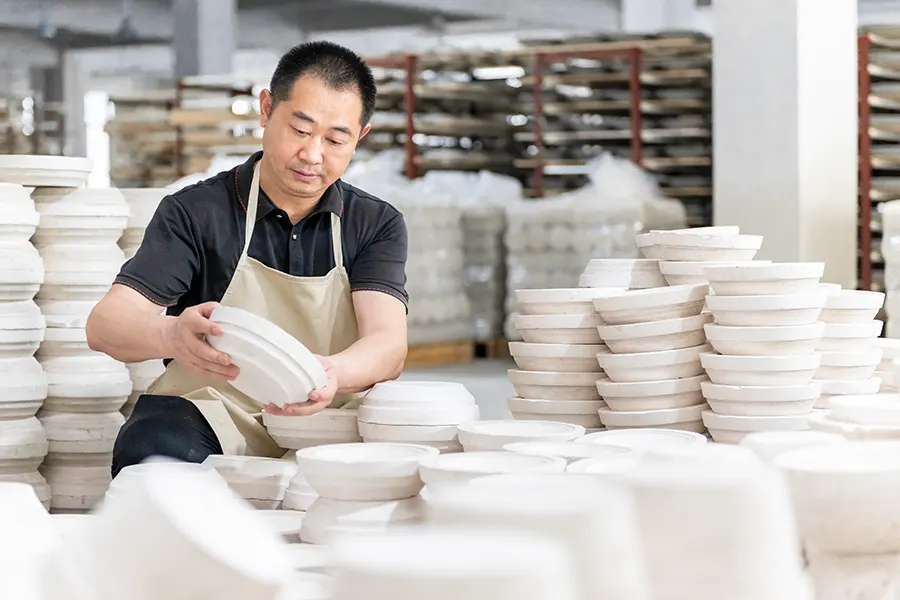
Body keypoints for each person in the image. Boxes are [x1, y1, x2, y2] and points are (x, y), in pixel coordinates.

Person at [86, 41, 409, 477]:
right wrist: (170, 336)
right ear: (266, 109)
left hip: (326, 416)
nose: (314, 155)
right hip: (216, 410)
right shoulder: (196, 212)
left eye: (336, 139)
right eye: (300, 130)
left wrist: (332, 373)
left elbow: (388, 345)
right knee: (152, 446)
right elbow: (105, 325)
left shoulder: (374, 223)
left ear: (360, 137)